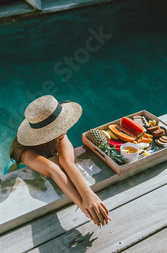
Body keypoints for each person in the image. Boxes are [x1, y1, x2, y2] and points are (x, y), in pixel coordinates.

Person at [9, 95, 111, 227]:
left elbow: (67, 163)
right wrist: (82, 205)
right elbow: (53, 170)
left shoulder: (59, 135)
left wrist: (88, 194)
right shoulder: (24, 152)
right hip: (21, 171)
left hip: (48, 166)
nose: (64, 129)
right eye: (57, 127)